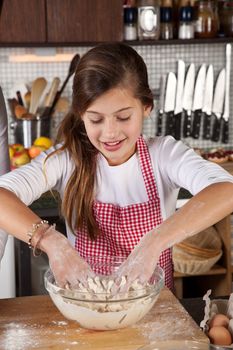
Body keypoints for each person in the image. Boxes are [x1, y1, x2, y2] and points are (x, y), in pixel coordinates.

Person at [0, 43, 233, 292]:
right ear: (81, 114)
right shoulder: (66, 160)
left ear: (146, 108)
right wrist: (50, 240)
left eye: (123, 117)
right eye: (96, 119)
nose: (110, 133)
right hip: (86, 312)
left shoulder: (165, 155)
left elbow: (226, 190)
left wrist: (154, 241)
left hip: (156, 313)